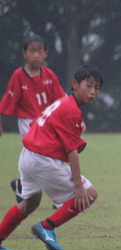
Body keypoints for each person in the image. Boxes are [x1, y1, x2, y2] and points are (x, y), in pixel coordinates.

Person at [0, 64, 103, 250]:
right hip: (42, 161)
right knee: (90, 194)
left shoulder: (62, 103)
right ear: (74, 84)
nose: (93, 92)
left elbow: (37, 124)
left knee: (29, 203)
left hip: (28, 157)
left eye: (97, 87)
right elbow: (72, 151)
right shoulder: (71, 109)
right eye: (88, 86)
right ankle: (47, 226)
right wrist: (78, 186)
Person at [0, 35, 66, 206]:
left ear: (46, 54)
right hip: (27, 122)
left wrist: (77, 120)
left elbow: (62, 101)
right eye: (32, 51)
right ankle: (59, 198)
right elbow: (6, 102)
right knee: (44, 156)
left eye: (40, 51)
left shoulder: (49, 75)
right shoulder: (18, 76)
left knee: (46, 157)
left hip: (47, 122)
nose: (36, 55)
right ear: (24, 53)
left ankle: (22, 185)